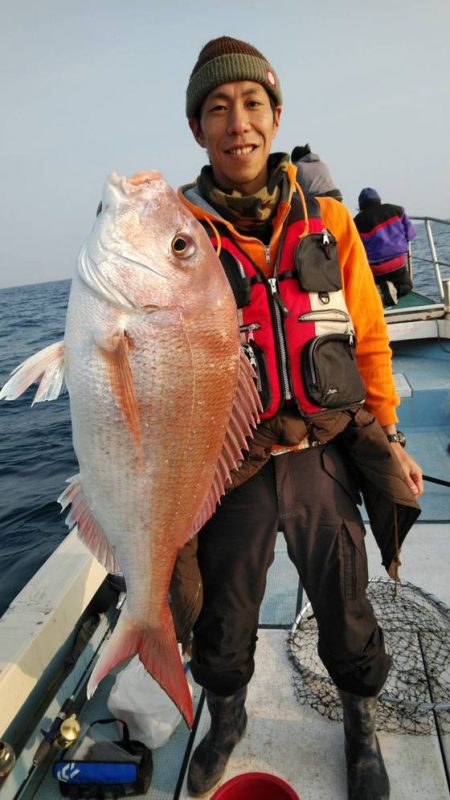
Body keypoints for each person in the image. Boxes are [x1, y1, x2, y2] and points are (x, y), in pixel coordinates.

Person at [132, 35, 423, 800]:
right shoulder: (176, 239)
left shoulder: (328, 218)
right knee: (222, 617)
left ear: (276, 113)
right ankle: (225, 714)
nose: (238, 123)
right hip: (234, 463)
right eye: (218, 109)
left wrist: (389, 437)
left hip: (325, 449)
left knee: (346, 600)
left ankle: (360, 724)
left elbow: (367, 338)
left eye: (252, 104)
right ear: (198, 129)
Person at [354, 188, 416, 307]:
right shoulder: (397, 210)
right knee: (407, 286)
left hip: (375, 270)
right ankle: (395, 291)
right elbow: (411, 234)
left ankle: (380, 294)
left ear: (361, 205)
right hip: (397, 264)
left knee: (372, 285)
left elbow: (356, 248)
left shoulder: (356, 222)